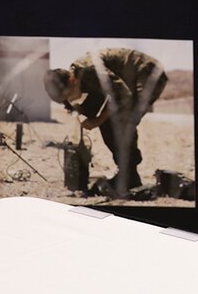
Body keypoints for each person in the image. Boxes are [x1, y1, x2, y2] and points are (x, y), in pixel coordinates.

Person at [44, 47, 168, 197]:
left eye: (69, 95)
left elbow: (124, 95)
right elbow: (97, 95)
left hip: (146, 74)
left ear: (72, 80)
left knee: (121, 122)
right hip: (123, 82)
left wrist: (97, 120)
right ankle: (127, 173)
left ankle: (129, 176)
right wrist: (80, 110)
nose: (70, 100)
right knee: (99, 116)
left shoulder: (90, 70)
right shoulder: (76, 76)